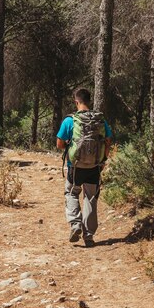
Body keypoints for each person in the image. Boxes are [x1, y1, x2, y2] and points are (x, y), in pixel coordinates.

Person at [56, 88, 112, 247]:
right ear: (89, 101)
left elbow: (59, 144)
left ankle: (75, 225)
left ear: (76, 101)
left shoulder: (70, 120)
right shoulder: (100, 120)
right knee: (91, 198)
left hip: (76, 166)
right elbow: (108, 140)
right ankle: (89, 236)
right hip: (95, 166)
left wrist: (70, 145)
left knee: (72, 193)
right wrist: (103, 159)